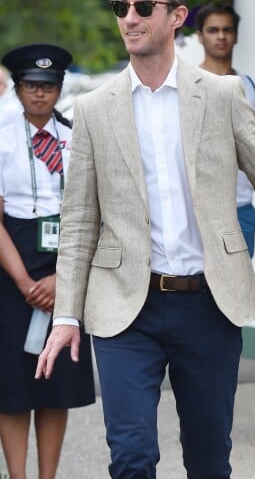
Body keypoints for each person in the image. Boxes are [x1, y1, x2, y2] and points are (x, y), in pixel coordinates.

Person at [35, 0, 255, 479]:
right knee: (132, 457)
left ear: (177, 15)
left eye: (143, 7)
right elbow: (77, 224)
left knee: (208, 461)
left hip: (209, 304)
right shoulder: (94, 109)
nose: (130, 18)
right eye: (122, 7)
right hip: (123, 311)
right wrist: (67, 317)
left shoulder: (224, 96)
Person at [0, 44, 95, 479]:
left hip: (66, 259)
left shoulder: (76, 135)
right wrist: (23, 280)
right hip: (11, 258)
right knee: (13, 384)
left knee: (55, 380)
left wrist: (62, 277)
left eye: (49, 86)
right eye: (31, 86)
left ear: (60, 89)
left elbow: (92, 210)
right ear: (17, 88)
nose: (40, 94)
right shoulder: (1, 135)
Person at [196, 3, 255, 257]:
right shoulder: (184, 83)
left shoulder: (253, 87)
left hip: (240, 209)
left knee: (237, 293)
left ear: (235, 35)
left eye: (227, 30)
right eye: (213, 30)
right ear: (200, 36)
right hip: (194, 211)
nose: (221, 36)